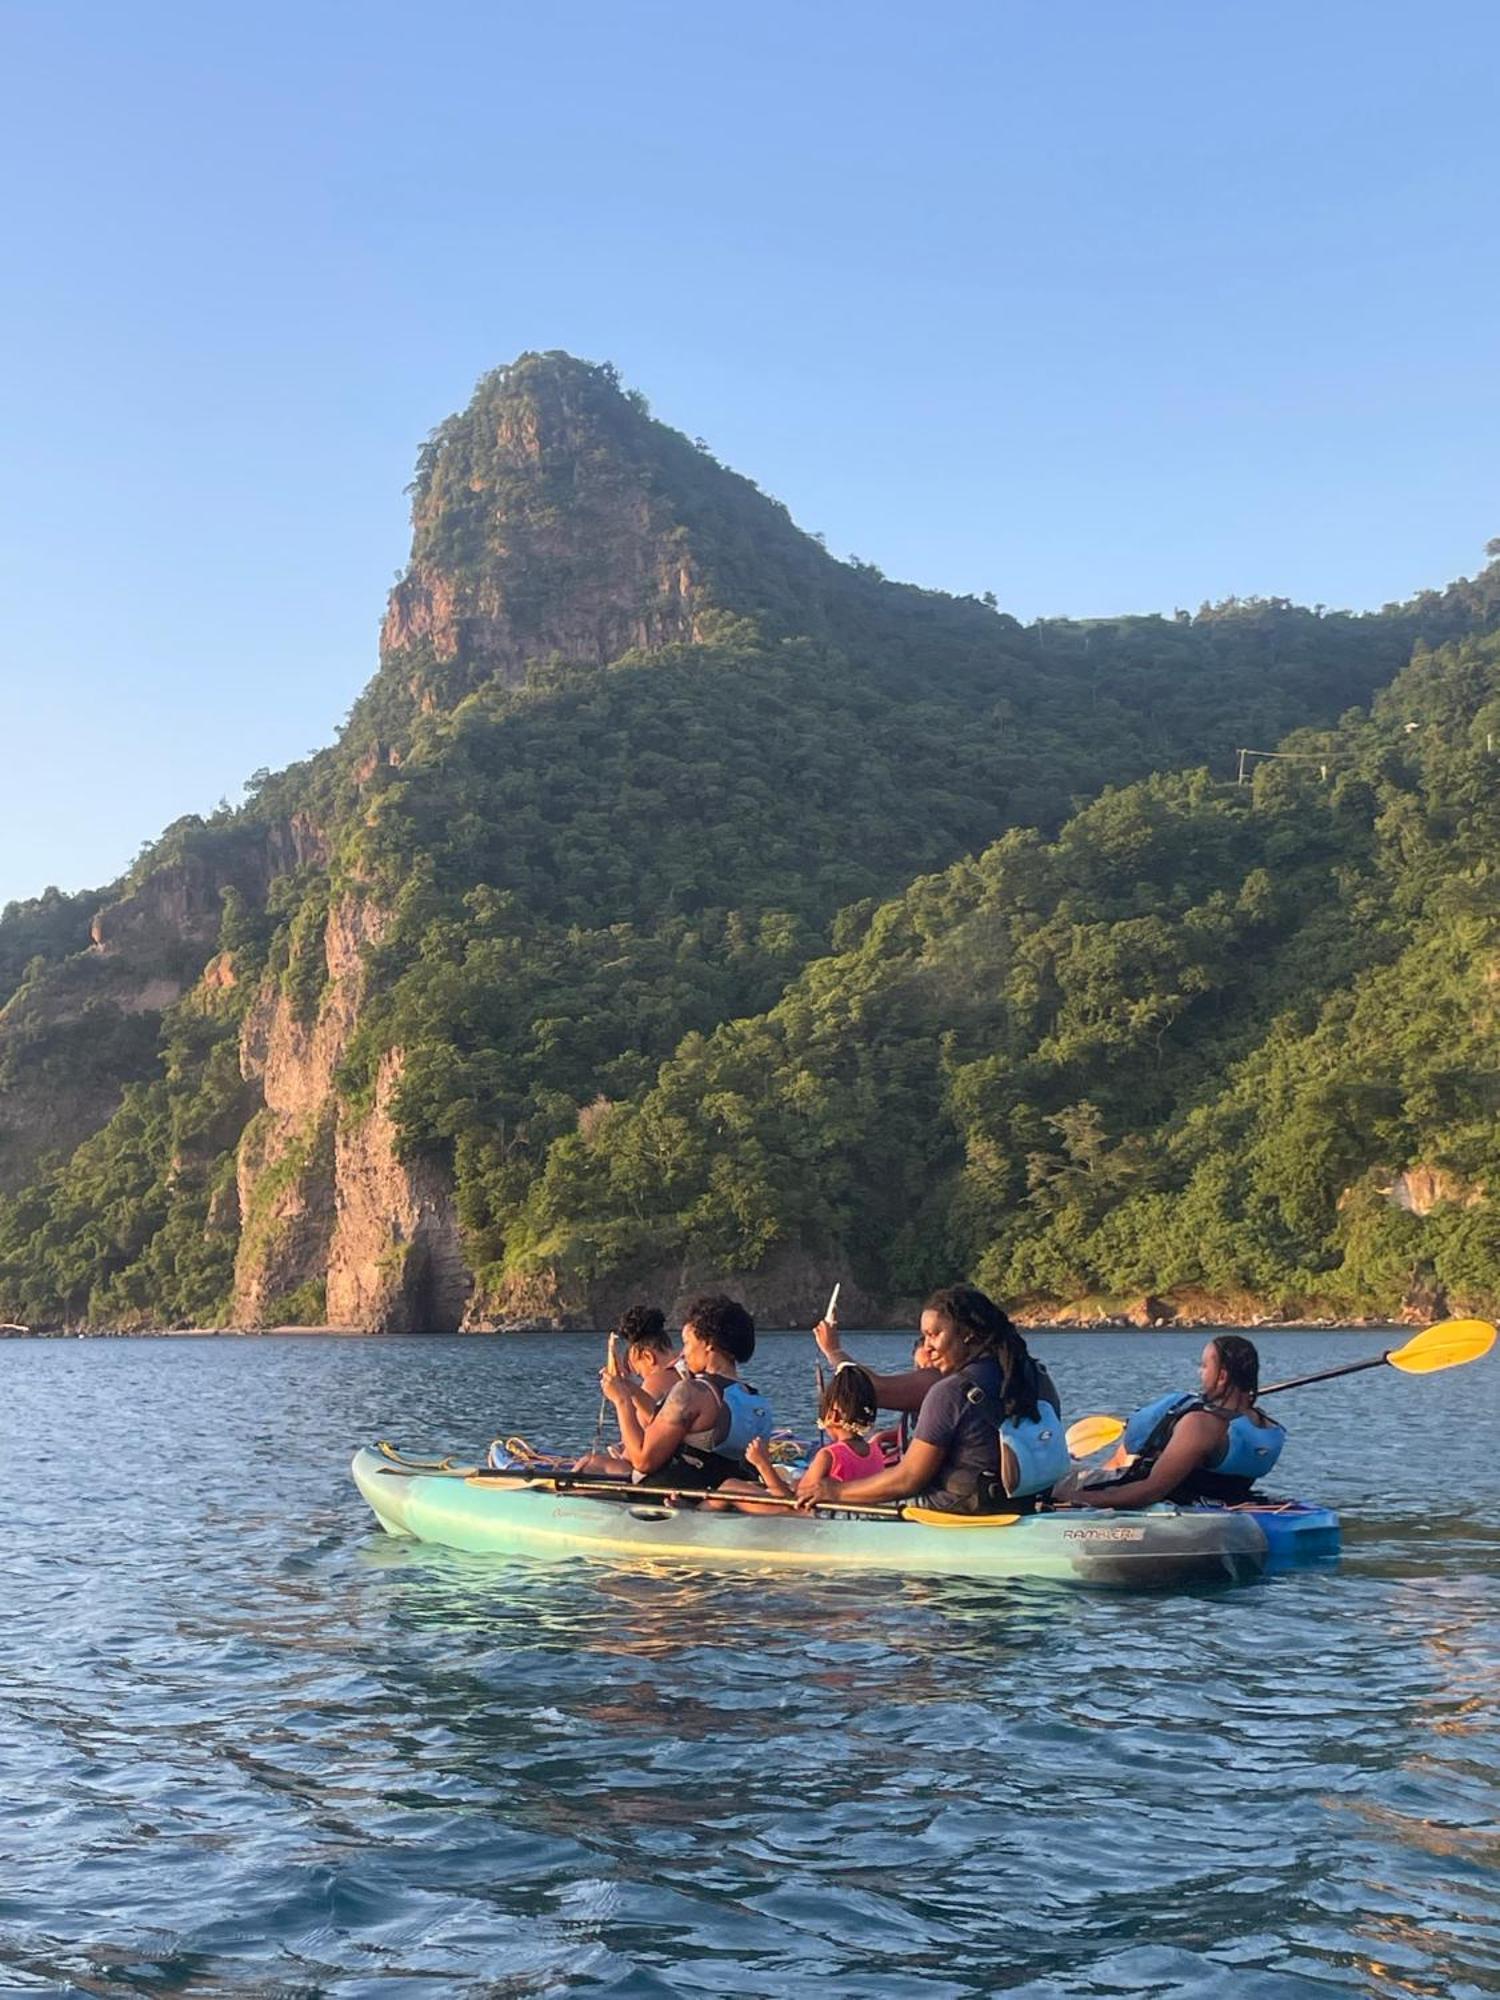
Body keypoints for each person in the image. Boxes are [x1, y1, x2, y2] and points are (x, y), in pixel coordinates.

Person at [799, 1285, 1068, 1514]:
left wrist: (834, 1491)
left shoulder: (950, 1392)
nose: (926, 1346)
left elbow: (907, 1479)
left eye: (933, 1334)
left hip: (956, 1510)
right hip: (1020, 1504)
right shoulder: (1037, 1375)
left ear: (967, 1333)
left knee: (841, 1512)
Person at [1055, 1335, 1286, 1509]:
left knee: (1052, 1478)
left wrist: (1072, 1498)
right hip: (1219, 1497)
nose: (1200, 1372)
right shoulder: (1267, 1427)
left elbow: (1149, 1491)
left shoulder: (1202, 1424)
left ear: (1222, 1376)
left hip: (1147, 1491)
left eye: (1205, 1366)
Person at [599, 1294, 775, 1491]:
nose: (683, 1352)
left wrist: (622, 1401)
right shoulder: (757, 1401)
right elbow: (667, 1423)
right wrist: (630, 1389)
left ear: (709, 1343)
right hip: (721, 1492)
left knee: (593, 1465)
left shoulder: (691, 1392)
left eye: (687, 1342)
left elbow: (643, 1460)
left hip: (677, 1496)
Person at [737, 1364, 886, 1504]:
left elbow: (793, 1503)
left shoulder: (828, 1455)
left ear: (833, 1415)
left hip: (820, 1524)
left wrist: (763, 1464)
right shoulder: (875, 1451)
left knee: (730, 1486)